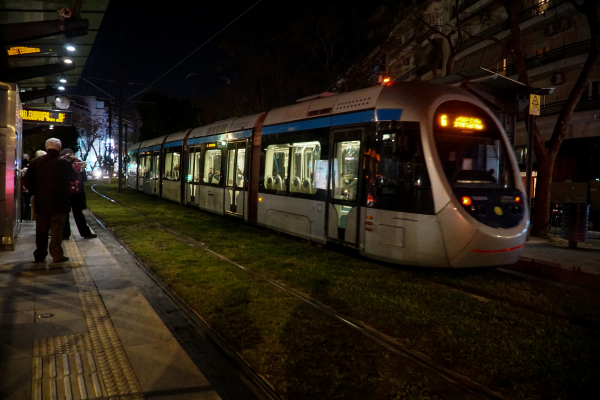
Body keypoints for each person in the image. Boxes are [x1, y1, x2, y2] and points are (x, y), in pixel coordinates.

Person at [23, 138, 79, 263]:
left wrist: (35, 191)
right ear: (59, 148)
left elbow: (27, 182)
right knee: (57, 229)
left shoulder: (35, 162)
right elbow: (74, 176)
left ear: (47, 147)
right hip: (60, 202)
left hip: (41, 202)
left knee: (41, 229)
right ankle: (57, 254)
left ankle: (40, 254)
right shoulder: (63, 163)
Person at [60, 148, 97, 240]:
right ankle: (85, 233)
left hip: (64, 193)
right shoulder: (78, 163)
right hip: (77, 193)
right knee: (78, 214)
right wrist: (82, 170)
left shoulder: (60, 163)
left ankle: (65, 234)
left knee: (64, 214)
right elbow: (84, 179)